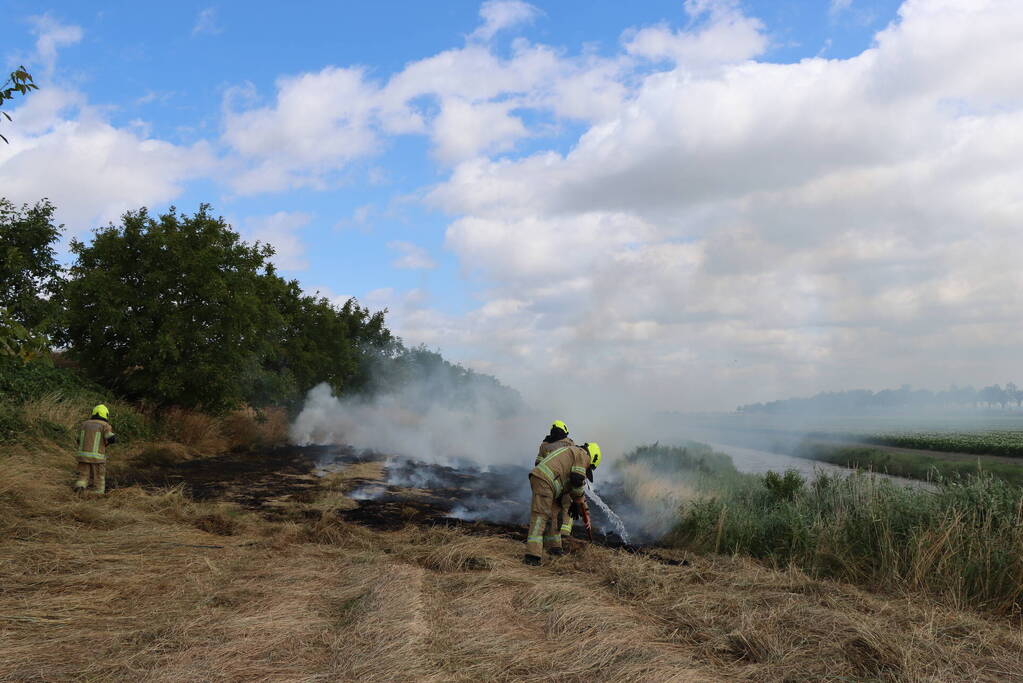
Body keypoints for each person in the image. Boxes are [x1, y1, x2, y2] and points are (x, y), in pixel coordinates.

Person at [524, 442, 601, 565]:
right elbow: (577, 480)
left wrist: (585, 512)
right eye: (589, 468)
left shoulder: (574, 453)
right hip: (545, 481)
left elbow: (577, 489)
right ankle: (532, 556)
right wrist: (577, 502)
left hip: (550, 483)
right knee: (540, 516)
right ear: (592, 458)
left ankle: (554, 548)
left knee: (553, 515)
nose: (586, 472)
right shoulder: (583, 455)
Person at [535, 420, 576, 543]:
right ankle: (565, 533)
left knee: (552, 509)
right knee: (567, 505)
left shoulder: (544, 445)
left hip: (547, 483)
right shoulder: (569, 443)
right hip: (564, 481)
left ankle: (551, 537)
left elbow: (537, 463)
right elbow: (575, 462)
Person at [75, 404, 116, 494]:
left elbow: (78, 439)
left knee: (83, 475)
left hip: (83, 456)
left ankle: (80, 487)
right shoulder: (105, 425)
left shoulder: (84, 424)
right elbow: (110, 438)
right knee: (99, 477)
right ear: (106, 414)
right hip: (97, 458)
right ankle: (98, 493)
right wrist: (112, 438)